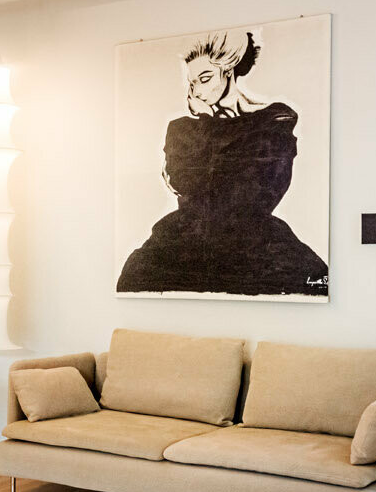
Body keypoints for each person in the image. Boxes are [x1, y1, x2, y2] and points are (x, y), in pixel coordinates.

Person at [116, 30, 328, 298]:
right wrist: (205, 127)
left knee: (312, 280)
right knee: (135, 277)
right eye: (192, 84)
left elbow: (258, 194)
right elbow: (184, 183)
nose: (198, 92)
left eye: (204, 79)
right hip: (183, 241)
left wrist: (209, 133)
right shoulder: (183, 129)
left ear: (228, 71)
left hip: (254, 242)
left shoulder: (276, 120)